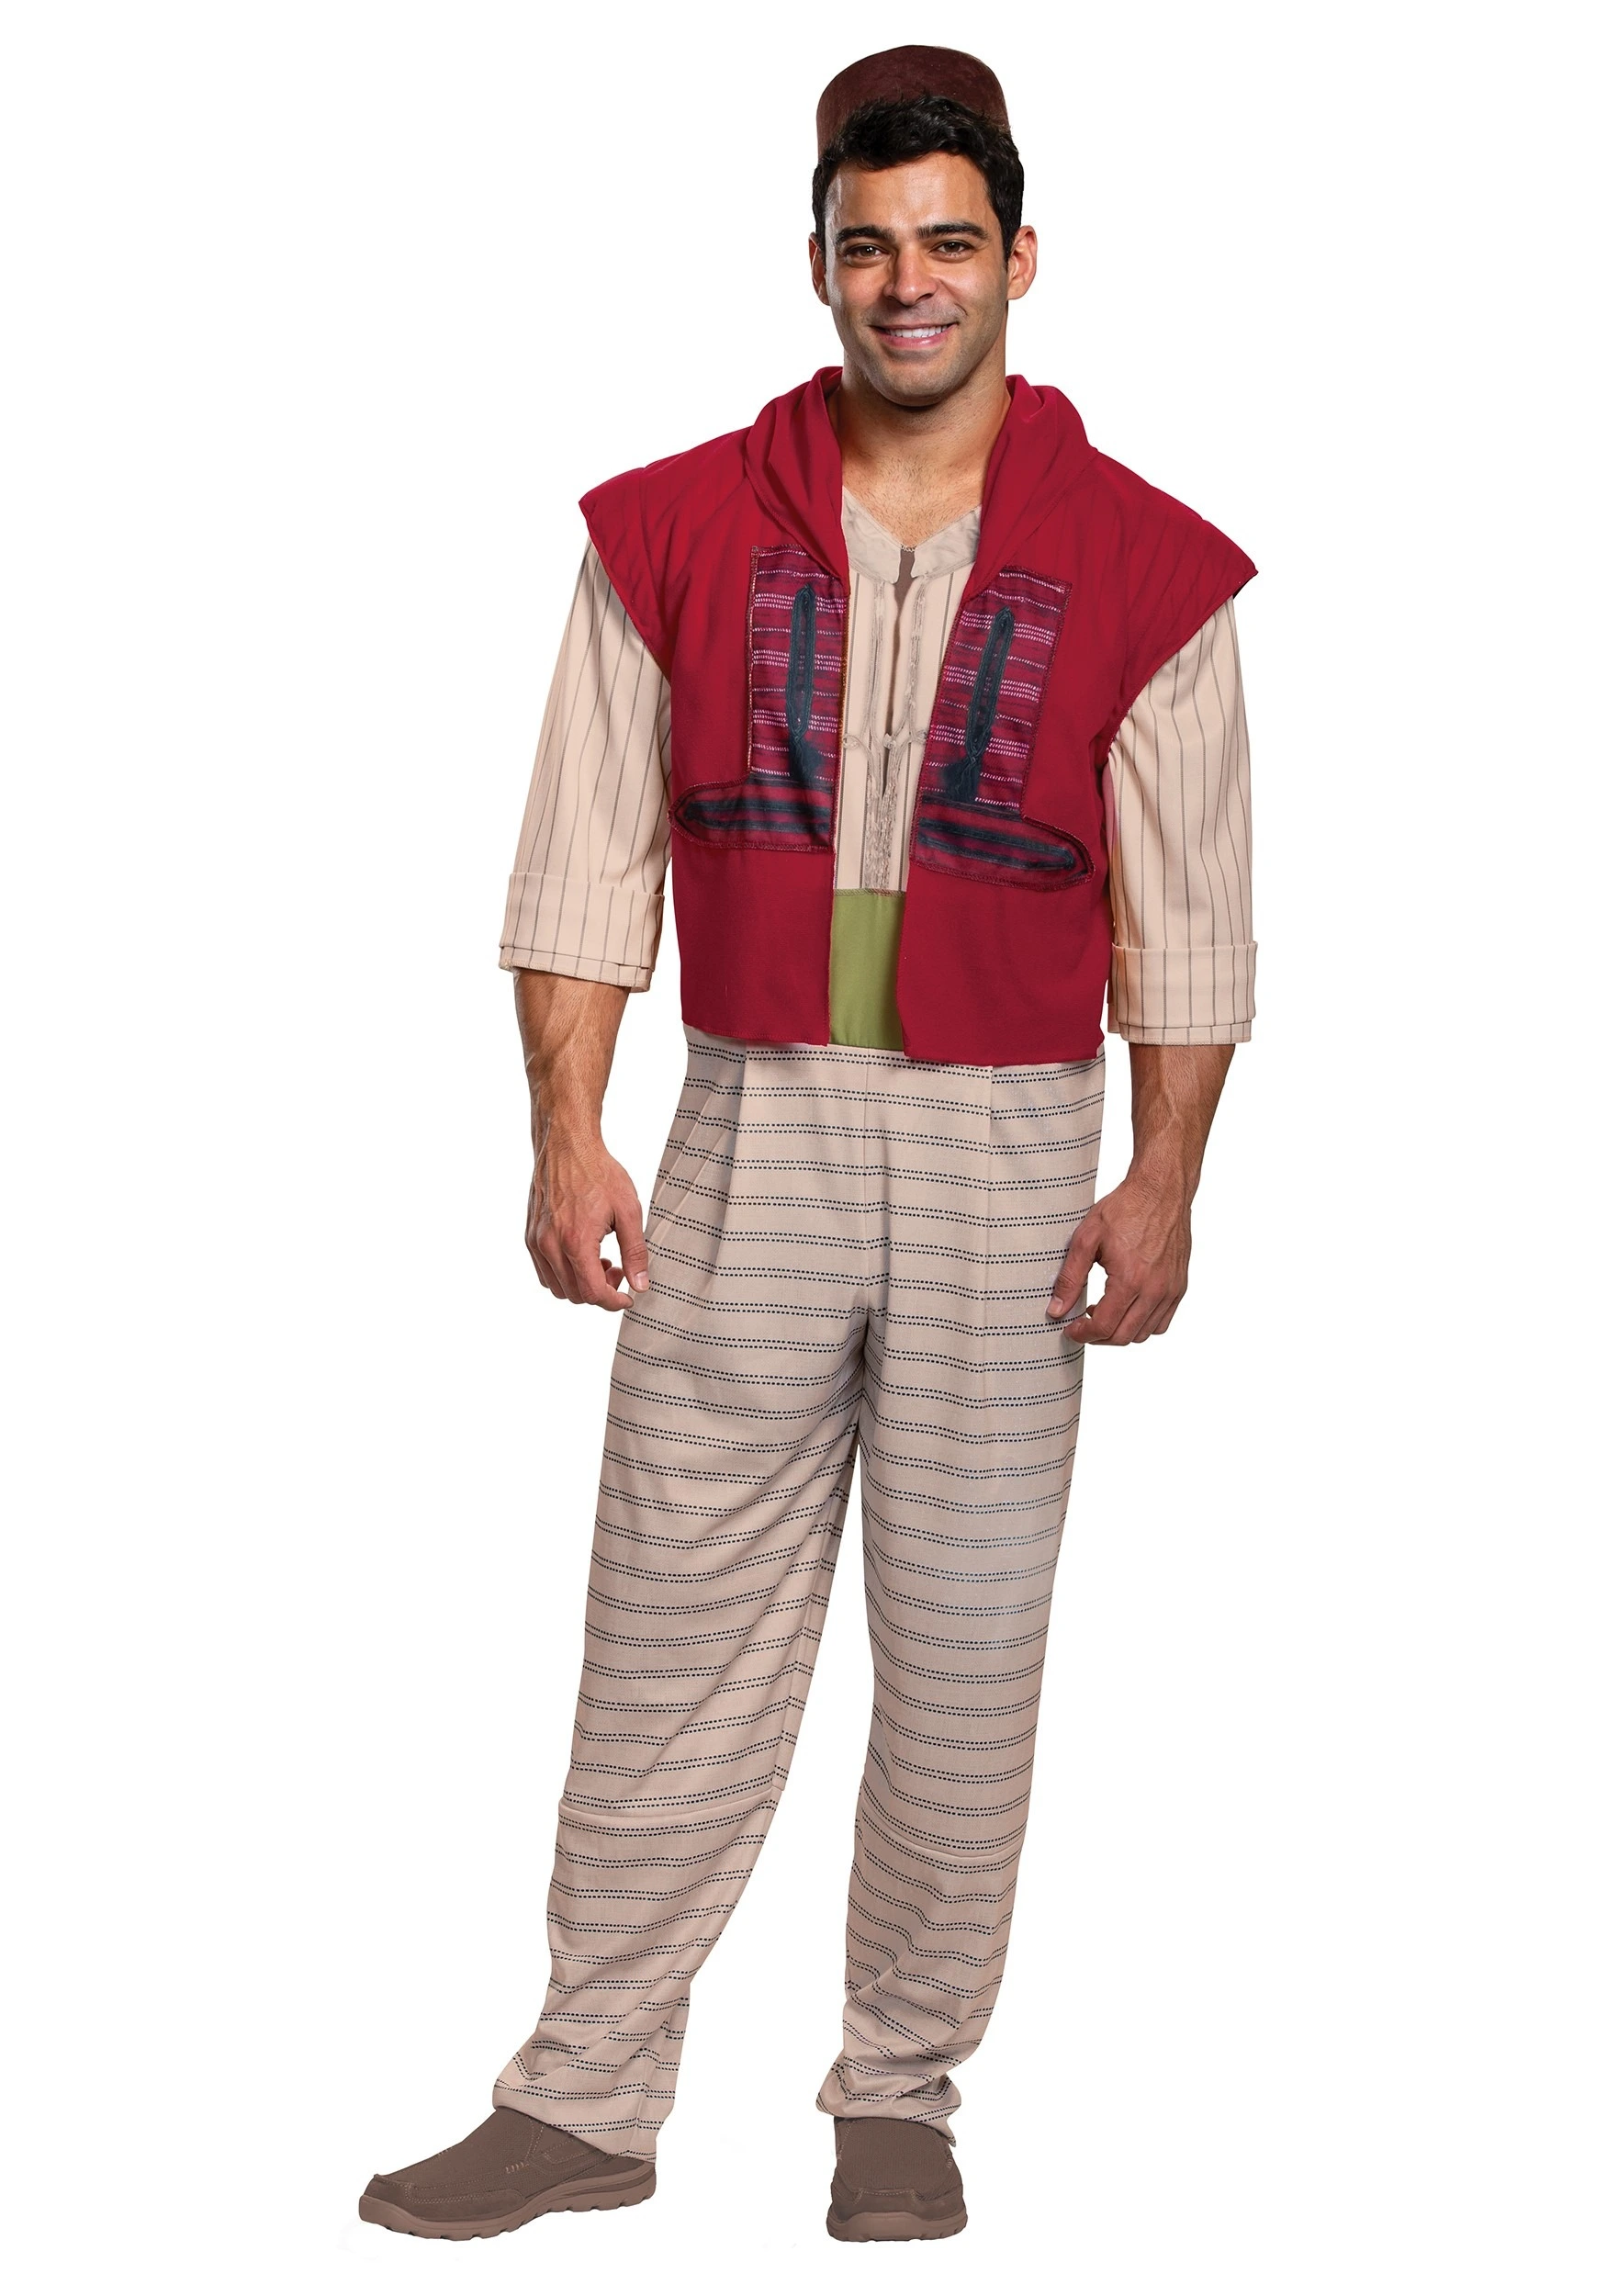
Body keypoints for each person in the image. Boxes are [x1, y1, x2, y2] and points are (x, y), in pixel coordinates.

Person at [360, 43, 1257, 2245]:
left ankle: (898, 2095)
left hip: (1004, 1142)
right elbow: (581, 856)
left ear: (1020, 259)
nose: (907, 281)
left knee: (962, 1650)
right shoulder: (666, 527)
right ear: (815, 264)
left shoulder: (1147, 564)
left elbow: (1190, 905)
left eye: (948, 241)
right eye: (868, 247)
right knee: (664, 1626)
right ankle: (583, 2096)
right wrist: (566, 1130)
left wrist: (1161, 1175)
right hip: (747, 1119)